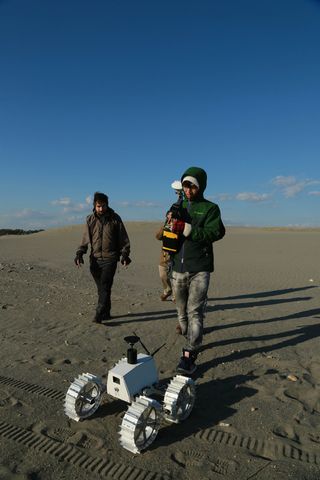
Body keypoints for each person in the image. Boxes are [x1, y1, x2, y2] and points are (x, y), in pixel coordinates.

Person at [169, 166, 225, 374]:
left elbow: (215, 233)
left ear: (200, 186)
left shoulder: (211, 208)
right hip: (177, 267)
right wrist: (169, 226)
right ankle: (188, 334)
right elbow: (168, 233)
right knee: (181, 311)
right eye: (185, 185)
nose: (188, 190)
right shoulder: (177, 205)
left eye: (192, 186)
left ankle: (190, 353)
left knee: (195, 312)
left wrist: (187, 229)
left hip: (200, 268)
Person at [74, 191, 131, 323]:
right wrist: (79, 253)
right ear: (94, 205)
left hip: (110, 259)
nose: (101, 209)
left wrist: (125, 254)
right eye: (98, 206)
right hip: (94, 260)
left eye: (103, 206)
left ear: (107, 205)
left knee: (105, 285)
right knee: (103, 289)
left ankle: (99, 313)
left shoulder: (115, 218)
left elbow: (123, 238)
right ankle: (107, 313)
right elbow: (85, 238)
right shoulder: (90, 219)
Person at [155, 211, 174, 301]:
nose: (170, 216)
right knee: (163, 275)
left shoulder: (179, 226)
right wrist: (165, 228)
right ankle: (167, 290)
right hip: (165, 256)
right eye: (169, 214)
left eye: (172, 215)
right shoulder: (165, 226)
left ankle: (176, 296)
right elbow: (158, 237)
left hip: (176, 256)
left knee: (177, 278)